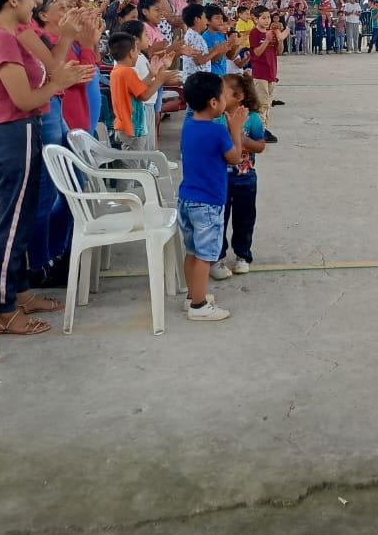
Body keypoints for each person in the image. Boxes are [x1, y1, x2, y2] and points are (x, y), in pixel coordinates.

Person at [0, 0, 92, 335]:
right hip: (12, 134)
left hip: (19, 132)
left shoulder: (9, 31)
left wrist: (62, 59)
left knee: (21, 219)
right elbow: (23, 99)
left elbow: (45, 71)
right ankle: (4, 309)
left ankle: (20, 292)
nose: (35, 2)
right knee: (12, 223)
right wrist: (58, 83)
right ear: (12, 0)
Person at [178, 72, 246, 321]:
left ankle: (192, 296)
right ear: (214, 102)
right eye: (222, 96)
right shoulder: (217, 132)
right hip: (208, 203)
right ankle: (199, 306)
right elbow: (235, 158)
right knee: (205, 256)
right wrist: (235, 129)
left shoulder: (188, 126)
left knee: (192, 251)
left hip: (187, 199)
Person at [217, 72, 266, 278]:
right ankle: (218, 257)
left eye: (222, 93)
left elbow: (260, 146)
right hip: (220, 179)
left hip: (245, 179)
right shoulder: (218, 118)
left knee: (244, 219)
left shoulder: (252, 119)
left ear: (239, 97)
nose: (217, 96)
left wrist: (243, 140)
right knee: (219, 219)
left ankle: (242, 255)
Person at [109, 31, 172, 151]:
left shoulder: (117, 71)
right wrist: (160, 79)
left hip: (123, 126)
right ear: (131, 53)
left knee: (131, 158)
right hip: (133, 128)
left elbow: (136, 88)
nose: (138, 55)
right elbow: (144, 95)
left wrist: (151, 75)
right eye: (136, 51)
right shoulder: (128, 72)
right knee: (135, 161)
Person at [249, 5, 288, 143]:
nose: (267, 21)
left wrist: (280, 39)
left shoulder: (271, 32)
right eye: (263, 18)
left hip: (271, 71)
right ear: (256, 19)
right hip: (260, 72)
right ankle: (259, 130)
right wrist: (266, 40)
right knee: (262, 103)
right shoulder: (254, 33)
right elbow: (257, 52)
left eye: (268, 18)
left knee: (268, 102)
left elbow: (279, 51)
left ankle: (264, 127)